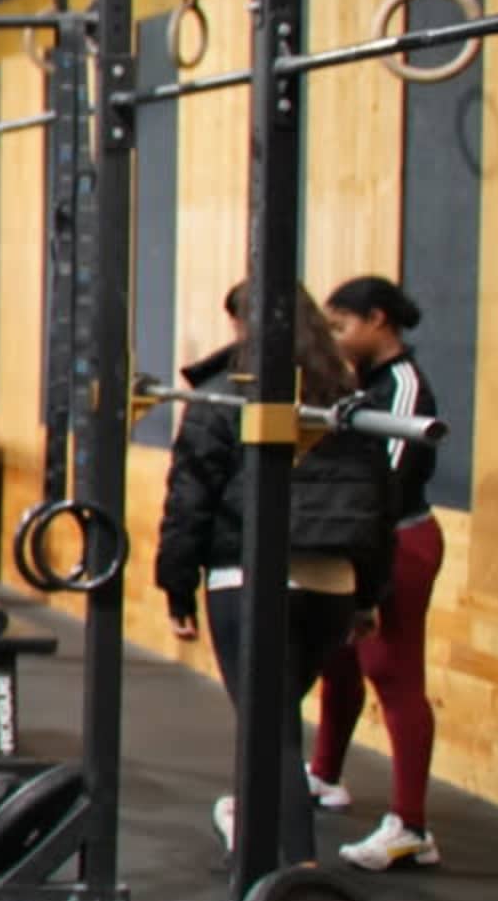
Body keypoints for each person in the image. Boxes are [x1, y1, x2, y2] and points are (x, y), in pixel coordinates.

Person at [155, 282, 395, 851]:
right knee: (275, 723)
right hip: (331, 590)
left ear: (241, 328)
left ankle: (293, 870)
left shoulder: (223, 397)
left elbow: (190, 499)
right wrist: (366, 596)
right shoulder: (346, 398)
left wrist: (177, 587)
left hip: (250, 583)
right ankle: (254, 827)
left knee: (274, 735)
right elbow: (376, 507)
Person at [318, 276, 450, 870]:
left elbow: (386, 484)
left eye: (342, 326)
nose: (337, 338)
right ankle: (324, 775)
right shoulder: (364, 385)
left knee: (391, 672)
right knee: (338, 656)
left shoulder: (404, 388)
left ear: (377, 320)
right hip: (363, 539)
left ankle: (411, 827)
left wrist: (363, 562)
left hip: (398, 542)